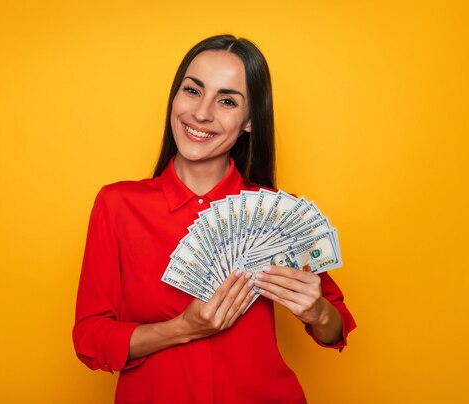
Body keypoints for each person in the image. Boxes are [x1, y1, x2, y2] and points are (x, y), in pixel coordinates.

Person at [73, 34, 356, 403]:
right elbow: (90, 340)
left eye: (226, 100)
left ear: (250, 120)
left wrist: (317, 312)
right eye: (192, 91)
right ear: (175, 97)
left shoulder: (271, 214)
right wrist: (184, 328)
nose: (202, 113)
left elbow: (336, 327)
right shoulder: (118, 205)